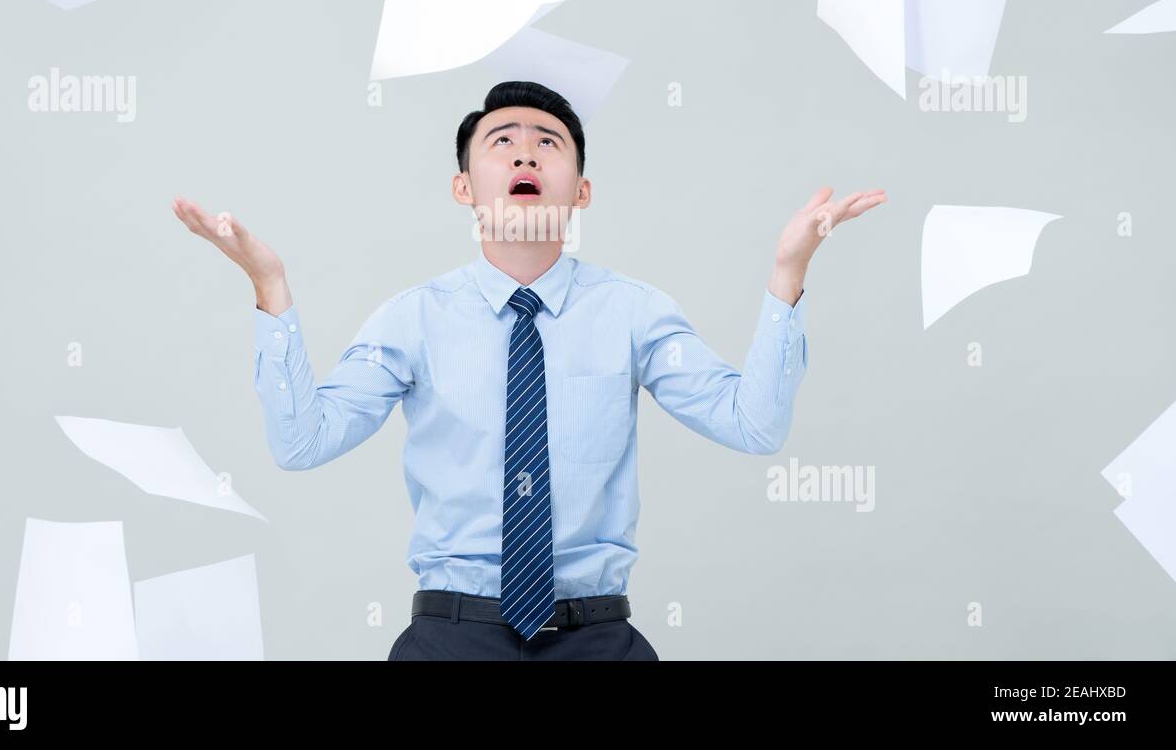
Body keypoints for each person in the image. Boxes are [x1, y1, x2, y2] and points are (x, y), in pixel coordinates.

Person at [172, 80, 886, 660]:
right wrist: (270, 289)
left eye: (549, 143)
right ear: (464, 189)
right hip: (450, 638)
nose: (526, 154)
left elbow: (754, 425)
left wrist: (789, 272)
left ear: (581, 191)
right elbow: (302, 441)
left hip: (597, 638)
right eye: (502, 141)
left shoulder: (633, 313)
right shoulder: (412, 319)